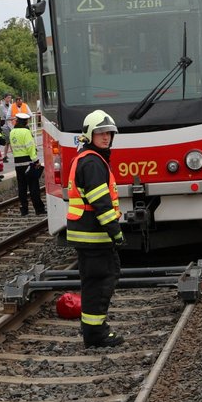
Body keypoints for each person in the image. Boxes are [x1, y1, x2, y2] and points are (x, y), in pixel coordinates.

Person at [66, 109, 125, 348]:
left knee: (97, 282)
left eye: (109, 133)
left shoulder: (88, 158)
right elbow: (100, 203)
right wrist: (115, 231)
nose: (106, 137)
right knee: (100, 283)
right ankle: (95, 333)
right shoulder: (92, 163)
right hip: (93, 236)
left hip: (89, 236)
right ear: (90, 135)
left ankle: (94, 331)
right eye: (100, 133)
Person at [10, 112, 46, 216]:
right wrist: (36, 161)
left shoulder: (12, 132)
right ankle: (39, 209)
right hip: (29, 163)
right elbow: (30, 147)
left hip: (18, 163)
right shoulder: (26, 132)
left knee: (22, 188)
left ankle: (24, 210)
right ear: (25, 122)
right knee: (34, 187)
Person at [0, 93, 14, 161]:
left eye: (10, 98)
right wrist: (11, 116)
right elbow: (5, 116)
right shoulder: (1, 106)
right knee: (9, 141)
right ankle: (14, 155)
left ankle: (5, 155)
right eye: (8, 97)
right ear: (4, 98)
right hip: (5, 125)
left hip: (11, 125)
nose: (9, 99)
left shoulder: (11, 105)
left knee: (8, 141)